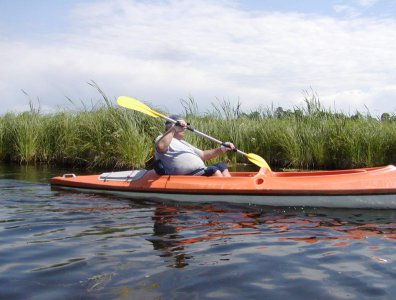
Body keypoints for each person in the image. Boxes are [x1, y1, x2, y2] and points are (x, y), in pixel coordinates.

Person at [154, 115, 235, 177]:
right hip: (186, 176)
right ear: (170, 125)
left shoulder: (183, 143)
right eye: (181, 125)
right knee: (214, 170)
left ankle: (232, 187)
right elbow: (160, 147)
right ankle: (226, 193)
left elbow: (203, 155)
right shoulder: (161, 138)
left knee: (221, 166)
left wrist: (223, 148)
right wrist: (174, 128)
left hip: (200, 171)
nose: (184, 128)